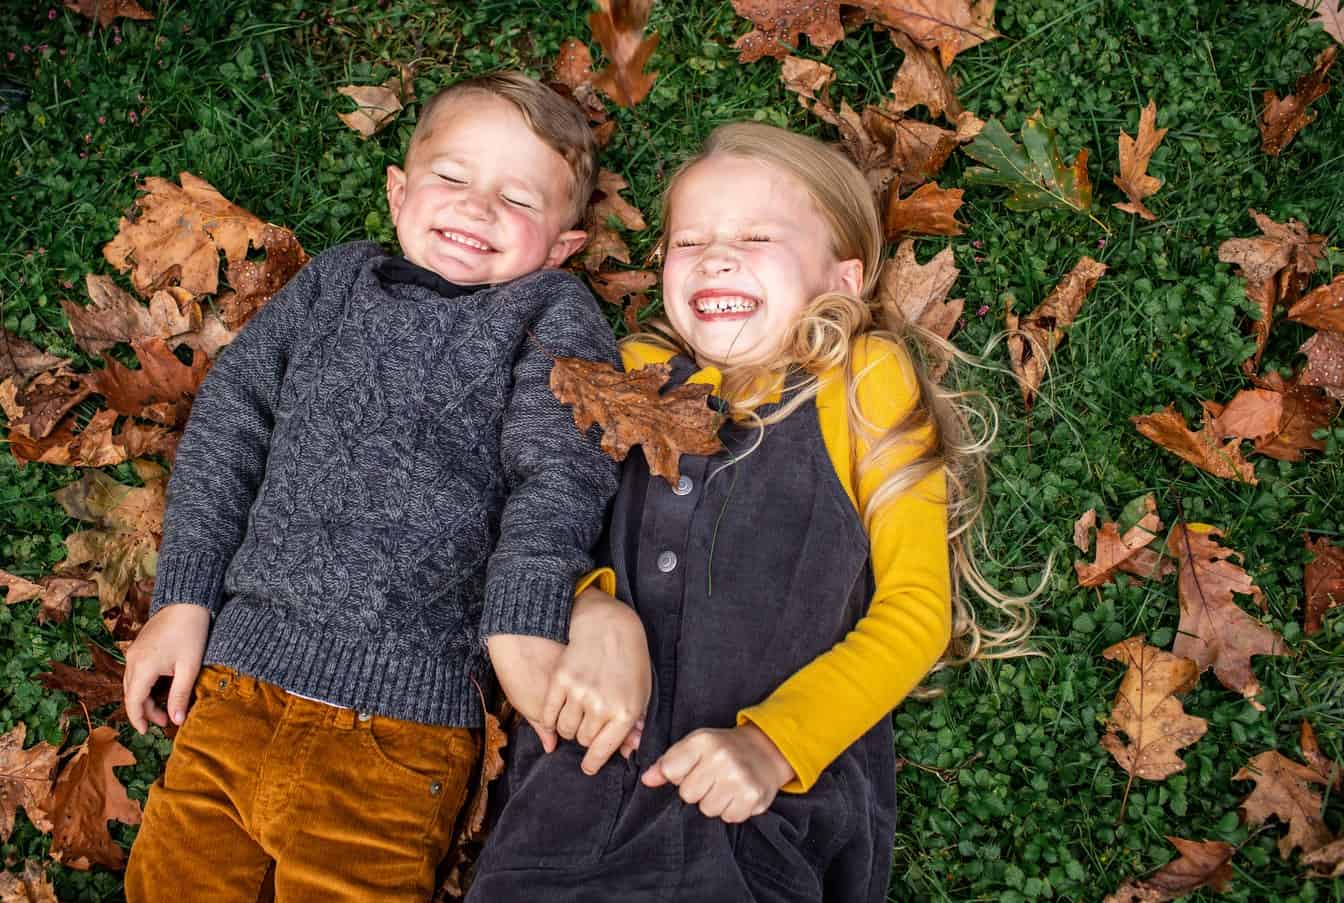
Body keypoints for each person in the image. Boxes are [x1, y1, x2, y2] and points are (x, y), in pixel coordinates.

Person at [467, 122, 1036, 902]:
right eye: (688, 241)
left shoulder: (860, 381)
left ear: (843, 278)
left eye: (758, 235)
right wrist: (589, 605)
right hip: (569, 798)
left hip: (760, 817)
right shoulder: (626, 376)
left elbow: (915, 611)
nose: (716, 257)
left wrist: (772, 745)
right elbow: (536, 518)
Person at [121, 71, 624, 902]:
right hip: (233, 693)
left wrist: (520, 623)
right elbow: (232, 417)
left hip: (400, 730)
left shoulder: (549, 311)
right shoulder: (334, 282)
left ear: (565, 244)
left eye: (520, 200)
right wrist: (184, 597)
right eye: (453, 178)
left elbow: (560, 473)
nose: (477, 208)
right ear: (399, 192)